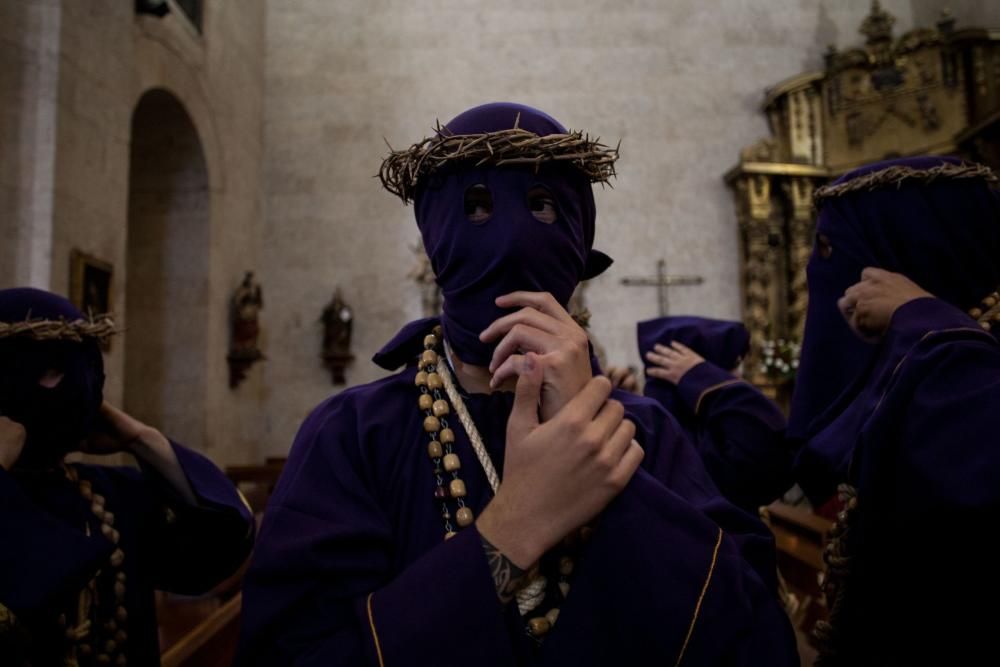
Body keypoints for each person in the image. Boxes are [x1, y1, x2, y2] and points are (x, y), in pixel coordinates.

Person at [237, 102, 795, 666]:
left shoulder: (645, 428)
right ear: (435, 239)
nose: (509, 238)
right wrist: (510, 531)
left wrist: (599, 450)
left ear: (580, 243)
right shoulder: (355, 432)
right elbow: (290, 649)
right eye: (475, 206)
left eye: (543, 207)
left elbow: (754, 637)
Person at [788, 156, 1000, 664]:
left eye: (831, 249)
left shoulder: (949, 353)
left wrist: (921, 319)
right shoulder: (922, 350)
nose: (820, 274)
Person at [0, 287, 254, 667]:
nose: (78, 387)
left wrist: (141, 439)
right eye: (52, 370)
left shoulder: (106, 495)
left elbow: (223, 543)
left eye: (86, 369)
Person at [637, 317, 791, 513]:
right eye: (730, 367)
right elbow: (770, 454)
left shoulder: (663, 422)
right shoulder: (677, 434)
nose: (737, 377)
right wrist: (702, 377)